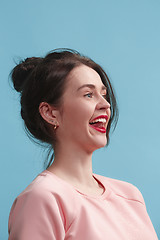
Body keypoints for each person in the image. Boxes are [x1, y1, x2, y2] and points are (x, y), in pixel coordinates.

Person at [8, 49, 158, 240]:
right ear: (50, 113)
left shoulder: (130, 196)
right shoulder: (43, 198)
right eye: (88, 94)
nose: (106, 105)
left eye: (103, 95)